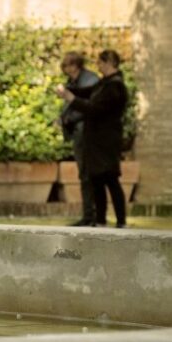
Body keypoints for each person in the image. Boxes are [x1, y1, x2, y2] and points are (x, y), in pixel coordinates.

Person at [56, 49, 129, 228]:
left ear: (110, 62)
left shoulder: (115, 86)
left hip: (107, 141)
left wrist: (71, 98)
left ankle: (121, 221)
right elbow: (86, 92)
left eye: (101, 63)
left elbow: (94, 108)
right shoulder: (104, 83)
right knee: (97, 179)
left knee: (111, 179)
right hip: (96, 141)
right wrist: (68, 91)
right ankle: (100, 220)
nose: (98, 66)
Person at [59, 51, 100, 226]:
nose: (66, 70)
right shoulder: (74, 81)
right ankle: (89, 215)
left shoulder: (89, 81)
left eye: (68, 66)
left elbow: (89, 107)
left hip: (87, 134)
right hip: (79, 133)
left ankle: (93, 216)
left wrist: (70, 118)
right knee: (84, 174)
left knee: (89, 175)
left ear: (75, 65)